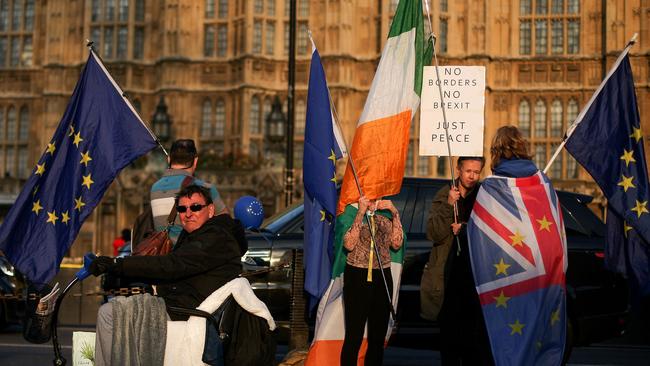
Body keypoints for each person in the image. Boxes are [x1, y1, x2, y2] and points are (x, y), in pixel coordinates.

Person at [89, 185, 247, 366]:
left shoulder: (214, 238)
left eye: (195, 207)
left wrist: (117, 264)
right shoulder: (198, 235)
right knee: (115, 306)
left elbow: (172, 265)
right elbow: (179, 271)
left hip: (188, 312)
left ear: (210, 210)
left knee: (108, 313)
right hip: (182, 305)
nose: (188, 213)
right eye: (182, 208)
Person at [424, 156, 491, 365]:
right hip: (448, 278)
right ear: (458, 170)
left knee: (473, 346)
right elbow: (434, 233)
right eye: (468, 171)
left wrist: (465, 229)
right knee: (449, 345)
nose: (472, 176)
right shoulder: (445, 194)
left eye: (477, 172)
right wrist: (449, 205)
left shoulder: (484, 197)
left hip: (474, 278)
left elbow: (489, 233)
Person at [340, 196, 403, 366]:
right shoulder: (351, 211)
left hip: (381, 277)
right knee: (354, 335)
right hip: (357, 277)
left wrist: (394, 212)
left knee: (377, 338)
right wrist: (361, 212)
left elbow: (397, 244)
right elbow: (349, 244)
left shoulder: (385, 214)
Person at [149, 138, 228, 245]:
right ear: (195, 161)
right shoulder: (205, 188)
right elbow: (226, 224)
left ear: (168, 159)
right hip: (193, 255)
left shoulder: (155, 188)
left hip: (165, 255)